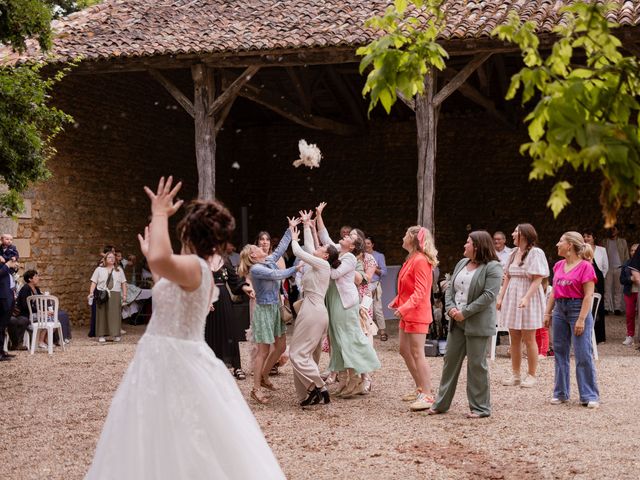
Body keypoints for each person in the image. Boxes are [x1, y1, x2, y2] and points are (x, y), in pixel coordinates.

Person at [86, 176, 285, 479]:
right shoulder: (189, 268)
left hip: (176, 359)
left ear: (189, 235)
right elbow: (163, 271)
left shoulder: (196, 268)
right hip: (157, 357)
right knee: (156, 435)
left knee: (184, 435)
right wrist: (154, 254)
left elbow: (161, 260)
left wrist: (160, 212)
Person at [429, 231, 502, 418]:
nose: (464, 245)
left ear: (477, 246)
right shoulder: (462, 263)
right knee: (449, 362)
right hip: (456, 322)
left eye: (467, 242)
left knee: (477, 365)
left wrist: (465, 312)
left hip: (477, 323)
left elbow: (488, 296)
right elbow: (450, 288)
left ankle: (480, 408)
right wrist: (451, 309)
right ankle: (441, 404)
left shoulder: (493, 267)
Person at [316, 202, 380, 398]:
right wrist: (318, 216)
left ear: (353, 246)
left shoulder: (350, 258)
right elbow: (325, 238)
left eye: (350, 237)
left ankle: (357, 379)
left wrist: (321, 262)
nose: (346, 235)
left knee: (348, 339)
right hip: (334, 299)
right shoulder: (339, 251)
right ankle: (343, 379)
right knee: (336, 340)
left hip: (345, 302)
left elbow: (335, 275)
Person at [238, 220, 300, 404]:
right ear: (253, 255)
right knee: (263, 352)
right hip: (264, 311)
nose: (262, 247)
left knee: (280, 347)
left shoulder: (268, 260)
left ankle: (264, 376)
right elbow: (277, 275)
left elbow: (280, 248)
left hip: (275, 309)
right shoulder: (256, 268)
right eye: (256, 247)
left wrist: (290, 229)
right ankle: (256, 389)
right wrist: (295, 268)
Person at [543, 231, 599, 408]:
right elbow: (554, 291)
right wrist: (548, 312)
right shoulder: (558, 265)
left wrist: (581, 319)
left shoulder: (586, 267)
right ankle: (560, 393)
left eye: (561, 241)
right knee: (560, 352)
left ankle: (589, 395)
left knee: (583, 353)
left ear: (570, 246)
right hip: (560, 310)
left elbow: (589, 295)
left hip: (578, 309)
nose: (557, 244)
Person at [288, 211, 338, 406]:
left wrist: (293, 238)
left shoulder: (323, 265)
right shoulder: (316, 263)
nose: (318, 247)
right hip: (312, 310)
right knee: (307, 354)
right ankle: (307, 393)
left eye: (322, 246)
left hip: (313, 311)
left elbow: (300, 251)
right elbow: (308, 247)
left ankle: (319, 386)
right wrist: (306, 224)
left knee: (296, 353)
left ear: (325, 255)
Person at [389, 226, 439, 412]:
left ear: (412, 239)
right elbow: (406, 288)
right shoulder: (410, 259)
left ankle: (427, 394)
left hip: (417, 313)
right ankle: (420, 388)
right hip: (407, 311)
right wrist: (397, 301)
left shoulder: (420, 260)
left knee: (417, 352)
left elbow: (421, 292)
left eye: (405, 235)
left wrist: (405, 307)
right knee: (404, 350)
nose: (402, 237)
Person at [497, 224, 549, 388]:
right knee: (514, 338)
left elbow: (538, 278)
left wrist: (526, 298)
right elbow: (507, 276)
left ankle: (532, 374)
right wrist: (501, 296)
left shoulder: (535, 253)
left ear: (524, 235)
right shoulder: (513, 253)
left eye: (516, 232)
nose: (512, 234)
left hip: (529, 296)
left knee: (529, 338)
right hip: (513, 296)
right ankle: (516, 374)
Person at [204, 250, 254, 379]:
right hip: (208, 299)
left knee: (229, 331)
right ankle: (211, 366)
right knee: (210, 332)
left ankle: (237, 366)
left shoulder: (225, 260)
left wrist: (244, 287)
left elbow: (234, 280)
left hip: (224, 299)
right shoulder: (201, 260)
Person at [89, 252, 127, 343]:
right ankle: (102, 335)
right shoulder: (99, 269)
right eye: (109, 257)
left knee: (115, 315)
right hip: (102, 293)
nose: (112, 259)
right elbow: (93, 282)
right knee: (101, 314)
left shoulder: (119, 270)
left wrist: (124, 295)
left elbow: (123, 283)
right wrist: (91, 292)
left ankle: (116, 334)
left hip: (115, 294)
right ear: (105, 259)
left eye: (113, 257)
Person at [583, 229, 607, 343]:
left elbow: (605, 267)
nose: (586, 238)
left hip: (599, 279)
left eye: (589, 236)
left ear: (594, 237)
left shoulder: (602, 250)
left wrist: (599, 278)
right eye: (585, 236)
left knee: (599, 305)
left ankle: (600, 336)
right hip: (585, 278)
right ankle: (587, 334)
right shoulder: (581, 249)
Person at [365, 236, 388, 341]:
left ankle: (382, 331)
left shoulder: (379, 256)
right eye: (365, 243)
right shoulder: (361, 256)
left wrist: (373, 268)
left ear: (372, 245)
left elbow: (384, 272)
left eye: (368, 243)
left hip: (375, 283)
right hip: (364, 285)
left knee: (377, 309)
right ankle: (367, 331)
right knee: (365, 308)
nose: (366, 245)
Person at [602, 225, 629, 315]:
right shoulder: (605, 242)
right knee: (607, 288)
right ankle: (606, 308)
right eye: (610, 229)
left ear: (617, 231)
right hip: (608, 268)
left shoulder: (623, 242)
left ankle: (617, 308)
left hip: (619, 268)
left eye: (614, 229)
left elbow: (626, 256)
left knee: (618, 289)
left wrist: (625, 267)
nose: (612, 231)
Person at [620, 243, 639, 346]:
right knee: (629, 314)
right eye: (631, 250)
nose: (633, 252)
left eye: (636, 250)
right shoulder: (626, 264)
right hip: (629, 292)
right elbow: (621, 280)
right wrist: (630, 279)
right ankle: (630, 336)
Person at [0, 257, 19, 361]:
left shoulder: (6, 257)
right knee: (0, 326)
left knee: (3, 326)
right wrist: (7, 265)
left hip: (9, 296)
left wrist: (14, 267)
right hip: (2, 298)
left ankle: (2, 351)